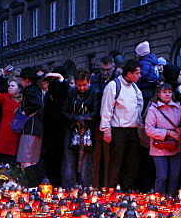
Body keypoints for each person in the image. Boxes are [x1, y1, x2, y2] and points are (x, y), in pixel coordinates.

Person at [100, 59, 144, 191]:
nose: (139, 76)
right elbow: (106, 108)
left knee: (131, 162)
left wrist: (140, 128)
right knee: (116, 162)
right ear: (129, 73)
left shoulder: (135, 87)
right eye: (137, 73)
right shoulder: (113, 86)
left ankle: (128, 188)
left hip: (132, 130)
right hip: (118, 130)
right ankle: (112, 189)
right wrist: (106, 130)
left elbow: (138, 108)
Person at [61, 68, 100, 187]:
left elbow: (96, 112)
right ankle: (68, 187)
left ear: (89, 82)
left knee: (87, 161)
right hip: (72, 128)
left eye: (84, 85)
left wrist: (82, 119)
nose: (81, 88)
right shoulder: (71, 92)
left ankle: (86, 187)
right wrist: (75, 119)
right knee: (69, 160)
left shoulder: (96, 92)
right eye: (79, 85)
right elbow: (64, 110)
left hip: (89, 130)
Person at [145, 82, 181, 196]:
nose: (167, 95)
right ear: (159, 94)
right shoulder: (153, 110)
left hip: (176, 146)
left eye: (169, 92)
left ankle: (170, 199)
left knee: (175, 175)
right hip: (159, 147)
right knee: (162, 175)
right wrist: (168, 133)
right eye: (164, 92)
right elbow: (148, 129)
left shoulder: (178, 107)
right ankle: (158, 200)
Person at [16, 66, 45, 186]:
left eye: (22, 79)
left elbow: (37, 104)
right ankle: (37, 187)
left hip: (30, 128)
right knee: (32, 161)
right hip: (37, 128)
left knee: (25, 160)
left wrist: (24, 112)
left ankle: (33, 187)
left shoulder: (30, 90)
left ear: (27, 79)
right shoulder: (37, 89)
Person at [91, 55, 117, 187]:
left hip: (112, 123)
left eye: (108, 70)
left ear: (113, 67)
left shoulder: (117, 81)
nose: (105, 73)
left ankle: (108, 186)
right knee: (96, 158)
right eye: (103, 70)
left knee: (109, 158)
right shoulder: (94, 80)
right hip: (96, 122)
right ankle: (96, 185)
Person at [0, 70, 22, 162]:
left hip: (18, 132)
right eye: (9, 86)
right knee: (5, 158)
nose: (9, 87)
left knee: (17, 156)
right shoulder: (6, 97)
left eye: (13, 86)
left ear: (19, 89)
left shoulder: (24, 100)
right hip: (6, 131)